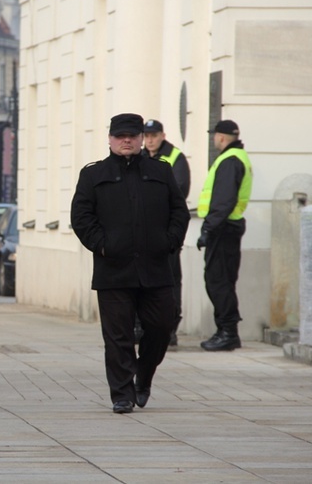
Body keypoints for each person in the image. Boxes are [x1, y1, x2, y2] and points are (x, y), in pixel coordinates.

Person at [70, 113, 190, 414]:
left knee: (161, 327)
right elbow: (81, 218)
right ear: (110, 139)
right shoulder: (93, 175)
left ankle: (144, 377)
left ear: (141, 139)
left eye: (132, 136)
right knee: (118, 336)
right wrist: (103, 245)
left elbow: (179, 212)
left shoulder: (161, 172)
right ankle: (121, 394)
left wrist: (169, 241)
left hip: (156, 268)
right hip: (114, 270)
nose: (127, 140)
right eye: (121, 136)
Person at [197, 119, 252, 352]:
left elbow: (223, 200)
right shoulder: (238, 157)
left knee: (218, 282)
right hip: (228, 227)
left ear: (220, 137)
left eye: (214, 136)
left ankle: (227, 332)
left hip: (223, 228)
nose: (213, 140)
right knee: (223, 281)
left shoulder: (229, 161)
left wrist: (208, 229)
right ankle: (227, 331)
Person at [142, 119, 191, 346]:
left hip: (165, 232)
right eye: (146, 135)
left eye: (154, 135)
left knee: (169, 281)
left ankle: (170, 328)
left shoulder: (175, 157)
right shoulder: (139, 157)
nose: (149, 140)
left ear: (163, 135)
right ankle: (142, 326)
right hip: (142, 234)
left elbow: (178, 192)